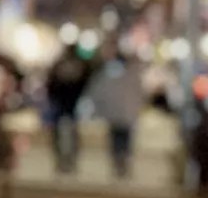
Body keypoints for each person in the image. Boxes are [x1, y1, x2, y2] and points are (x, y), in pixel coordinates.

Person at [92, 52, 145, 181]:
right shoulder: (124, 76)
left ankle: (121, 164)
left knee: (121, 140)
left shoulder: (121, 76)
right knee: (120, 140)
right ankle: (120, 164)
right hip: (120, 115)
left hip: (121, 115)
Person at [43, 43, 93, 175]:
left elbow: (50, 83)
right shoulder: (78, 65)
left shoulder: (61, 64)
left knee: (61, 134)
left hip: (63, 103)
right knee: (71, 133)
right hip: (70, 103)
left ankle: (63, 160)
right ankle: (69, 160)